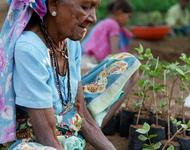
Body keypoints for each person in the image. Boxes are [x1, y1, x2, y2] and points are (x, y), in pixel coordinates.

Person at [0, 0, 140, 149]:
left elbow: (82, 113)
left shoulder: (71, 43)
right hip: (34, 136)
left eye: (94, 8)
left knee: (128, 64)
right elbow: (45, 135)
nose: (93, 18)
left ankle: (72, 138)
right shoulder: (29, 49)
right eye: (85, 7)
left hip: (67, 121)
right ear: (53, 5)